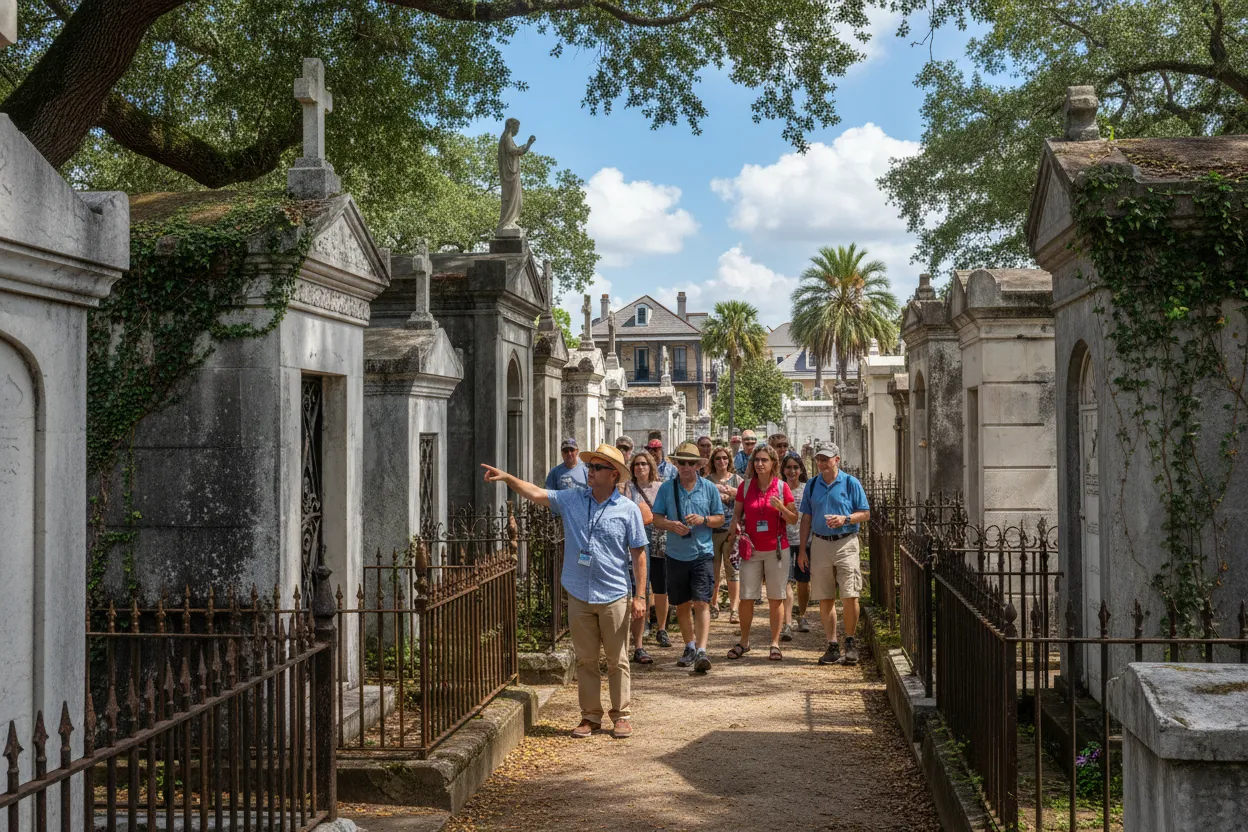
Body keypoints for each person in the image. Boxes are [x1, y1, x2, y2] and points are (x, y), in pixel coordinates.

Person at [481, 444, 647, 738]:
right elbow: (537, 493)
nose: (590, 472)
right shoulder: (572, 499)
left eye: (597, 468)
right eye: (591, 467)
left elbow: (638, 554)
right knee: (584, 659)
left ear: (614, 475)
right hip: (578, 591)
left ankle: (621, 715)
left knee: (617, 659)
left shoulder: (628, 509)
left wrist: (640, 596)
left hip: (614, 593)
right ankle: (590, 716)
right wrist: (508, 478)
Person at [649, 442, 725, 673]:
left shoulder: (709, 488)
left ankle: (702, 650)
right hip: (675, 554)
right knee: (681, 604)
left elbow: (720, 519)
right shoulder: (666, 489)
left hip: (702, 553)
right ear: (675, 464)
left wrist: (703, 520)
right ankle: (689, 645)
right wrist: (671, 525)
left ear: (699, 465)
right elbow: (656, 518)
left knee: (701, 601)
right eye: (681, 462)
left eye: (690, 463)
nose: (685, 466)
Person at [798, 442, 870, 666]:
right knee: (825, 596)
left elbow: (865, 513)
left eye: (826, 459)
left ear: (837, 460)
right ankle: (832, 644)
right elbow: (806, 519)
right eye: (819, 459)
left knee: (850, 595)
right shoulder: (812, 485)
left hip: (846, 542)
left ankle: (850, 641)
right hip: (820, 542)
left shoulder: (850, 483)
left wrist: (845, 519)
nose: (821, 463)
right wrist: (802, 550)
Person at [726, 443, 797, 661]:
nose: (759, 464)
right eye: (756, 460)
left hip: (777, 549)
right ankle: (744, 641)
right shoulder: (745, 487)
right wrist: (734, 532)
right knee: (746, 597)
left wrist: (781, 509)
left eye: (764, 460)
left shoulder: (782, 487)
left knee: (776, 598)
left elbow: (793, 519)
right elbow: (737, 515)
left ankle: (774, 643)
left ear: (773, 463)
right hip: (752, 549)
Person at [622, 450, 670, 657]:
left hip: (660, 534)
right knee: (641, 582)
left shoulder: (661, 487)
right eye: (637, 465)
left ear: (651, 467)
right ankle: (644, 628)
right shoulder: (629, 487)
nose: (640, 467)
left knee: (661, 585)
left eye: (644, 464)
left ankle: (662, 628)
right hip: (638, 535)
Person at [705, 447, 743, 623]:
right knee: (713, 570)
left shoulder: (737, 480)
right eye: (718, 458)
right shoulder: (706, 481)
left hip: (732, 530)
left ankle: (734, 608)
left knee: (732, 570)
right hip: (711, 530)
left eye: (725, 458)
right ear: (713, 461)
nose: (721, 461)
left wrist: (733, 493)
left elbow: (745, 502)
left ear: (729, 461)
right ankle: (713, 604)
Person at [780, 454, 811, 638]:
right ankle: (787, 622)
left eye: (795, 467)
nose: (792, 471)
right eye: (788, 467)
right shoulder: (779, 488)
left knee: (803, 581)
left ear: (800, 470)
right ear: (783, 470)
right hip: (783, 540)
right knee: (785, 581)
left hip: (804, 541)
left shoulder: (807, 489)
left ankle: (803, 615)